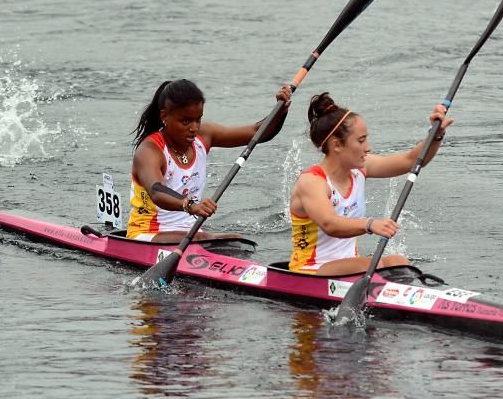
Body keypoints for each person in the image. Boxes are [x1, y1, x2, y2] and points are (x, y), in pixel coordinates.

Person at [288, 92, 452, 276]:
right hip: (311, 270)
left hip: (350, 266)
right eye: (361, 140)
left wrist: (436, 135)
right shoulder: (312, 182)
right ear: (337, 145)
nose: (368, 147)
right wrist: (370, 224)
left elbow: (410, 161)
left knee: (399, 262)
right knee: (373, 266)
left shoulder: (360, 169)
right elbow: (329, 224)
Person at [126, 79, 292, 243]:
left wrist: (279, 112)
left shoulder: (204, 136)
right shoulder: (150, 150)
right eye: (185, 121)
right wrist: (190, 205)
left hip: (191, 233)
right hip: (148, 233)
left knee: (237, 241)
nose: (194, 128)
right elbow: (156, 190)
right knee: (203, 238)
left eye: (198, 119)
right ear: (165, 116)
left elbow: (258, 133)